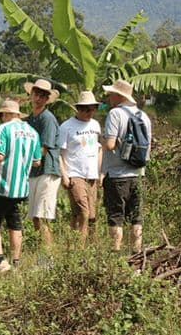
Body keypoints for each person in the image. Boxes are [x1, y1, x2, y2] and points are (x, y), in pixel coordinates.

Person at [0, 100, 42, 275]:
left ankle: (0, 261)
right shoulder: (33, 132)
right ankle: (16, 262)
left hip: (1, 186)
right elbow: (37, 161)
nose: (1, 118)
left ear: (7, 114)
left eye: (2, 115)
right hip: (20, 188)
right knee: (14, 224)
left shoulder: (5, 129)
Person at [100, 79, 152, 254]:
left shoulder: (115, 114)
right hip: (139, 174)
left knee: (116, 217)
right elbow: (147, 149)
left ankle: (115, 256)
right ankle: (137, 255)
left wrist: (101, 139)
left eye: (111, 94)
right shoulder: (144, 116)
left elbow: (110, 144)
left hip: (117, 175)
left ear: (118, 96)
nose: (109, 97)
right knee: (136, 218)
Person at [58, 91, 102, 245]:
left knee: (91, 216)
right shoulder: (66, 127)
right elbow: (60, 153)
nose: (89, 113)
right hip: (74, 174)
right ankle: (80, 249)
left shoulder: (95, 125)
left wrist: (100, 172)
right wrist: (64, 175)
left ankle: (87, 245)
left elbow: (99, 148)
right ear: (78, 109)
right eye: (85, 109)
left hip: (92, 175)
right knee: (83, 212)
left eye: (92, 109)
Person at [23, 79, 62, 248]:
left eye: (43, 96)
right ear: (31, 94)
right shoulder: (30, 118)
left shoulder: (47, 119)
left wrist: (26, 163)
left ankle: (48, 258)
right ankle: (43, 253)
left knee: (42, 216)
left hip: (47, 170)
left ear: (47, 99)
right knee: (35, 217)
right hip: (33, 171)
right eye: (36, 94)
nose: (38, 98)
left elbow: (44, 148)